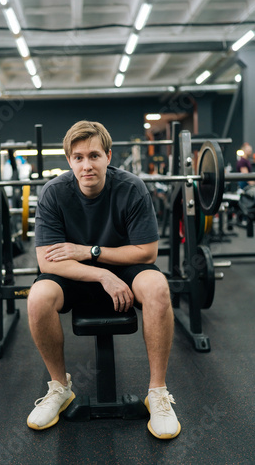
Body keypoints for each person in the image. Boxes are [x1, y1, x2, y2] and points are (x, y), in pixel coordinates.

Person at [26, 120, 181, 439]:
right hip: (76, 274)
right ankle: (59, 388)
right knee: (38, 297)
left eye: (94, 155)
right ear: (68, 160)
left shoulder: (131, 187)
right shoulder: (54, 193)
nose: (87, 165)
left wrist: (90, 251)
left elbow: (147, 252)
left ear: (109, 156)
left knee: (157, 287)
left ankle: (158, 393)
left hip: (123, 269)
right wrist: (100, 274)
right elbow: (46, 260)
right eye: (79, 157)